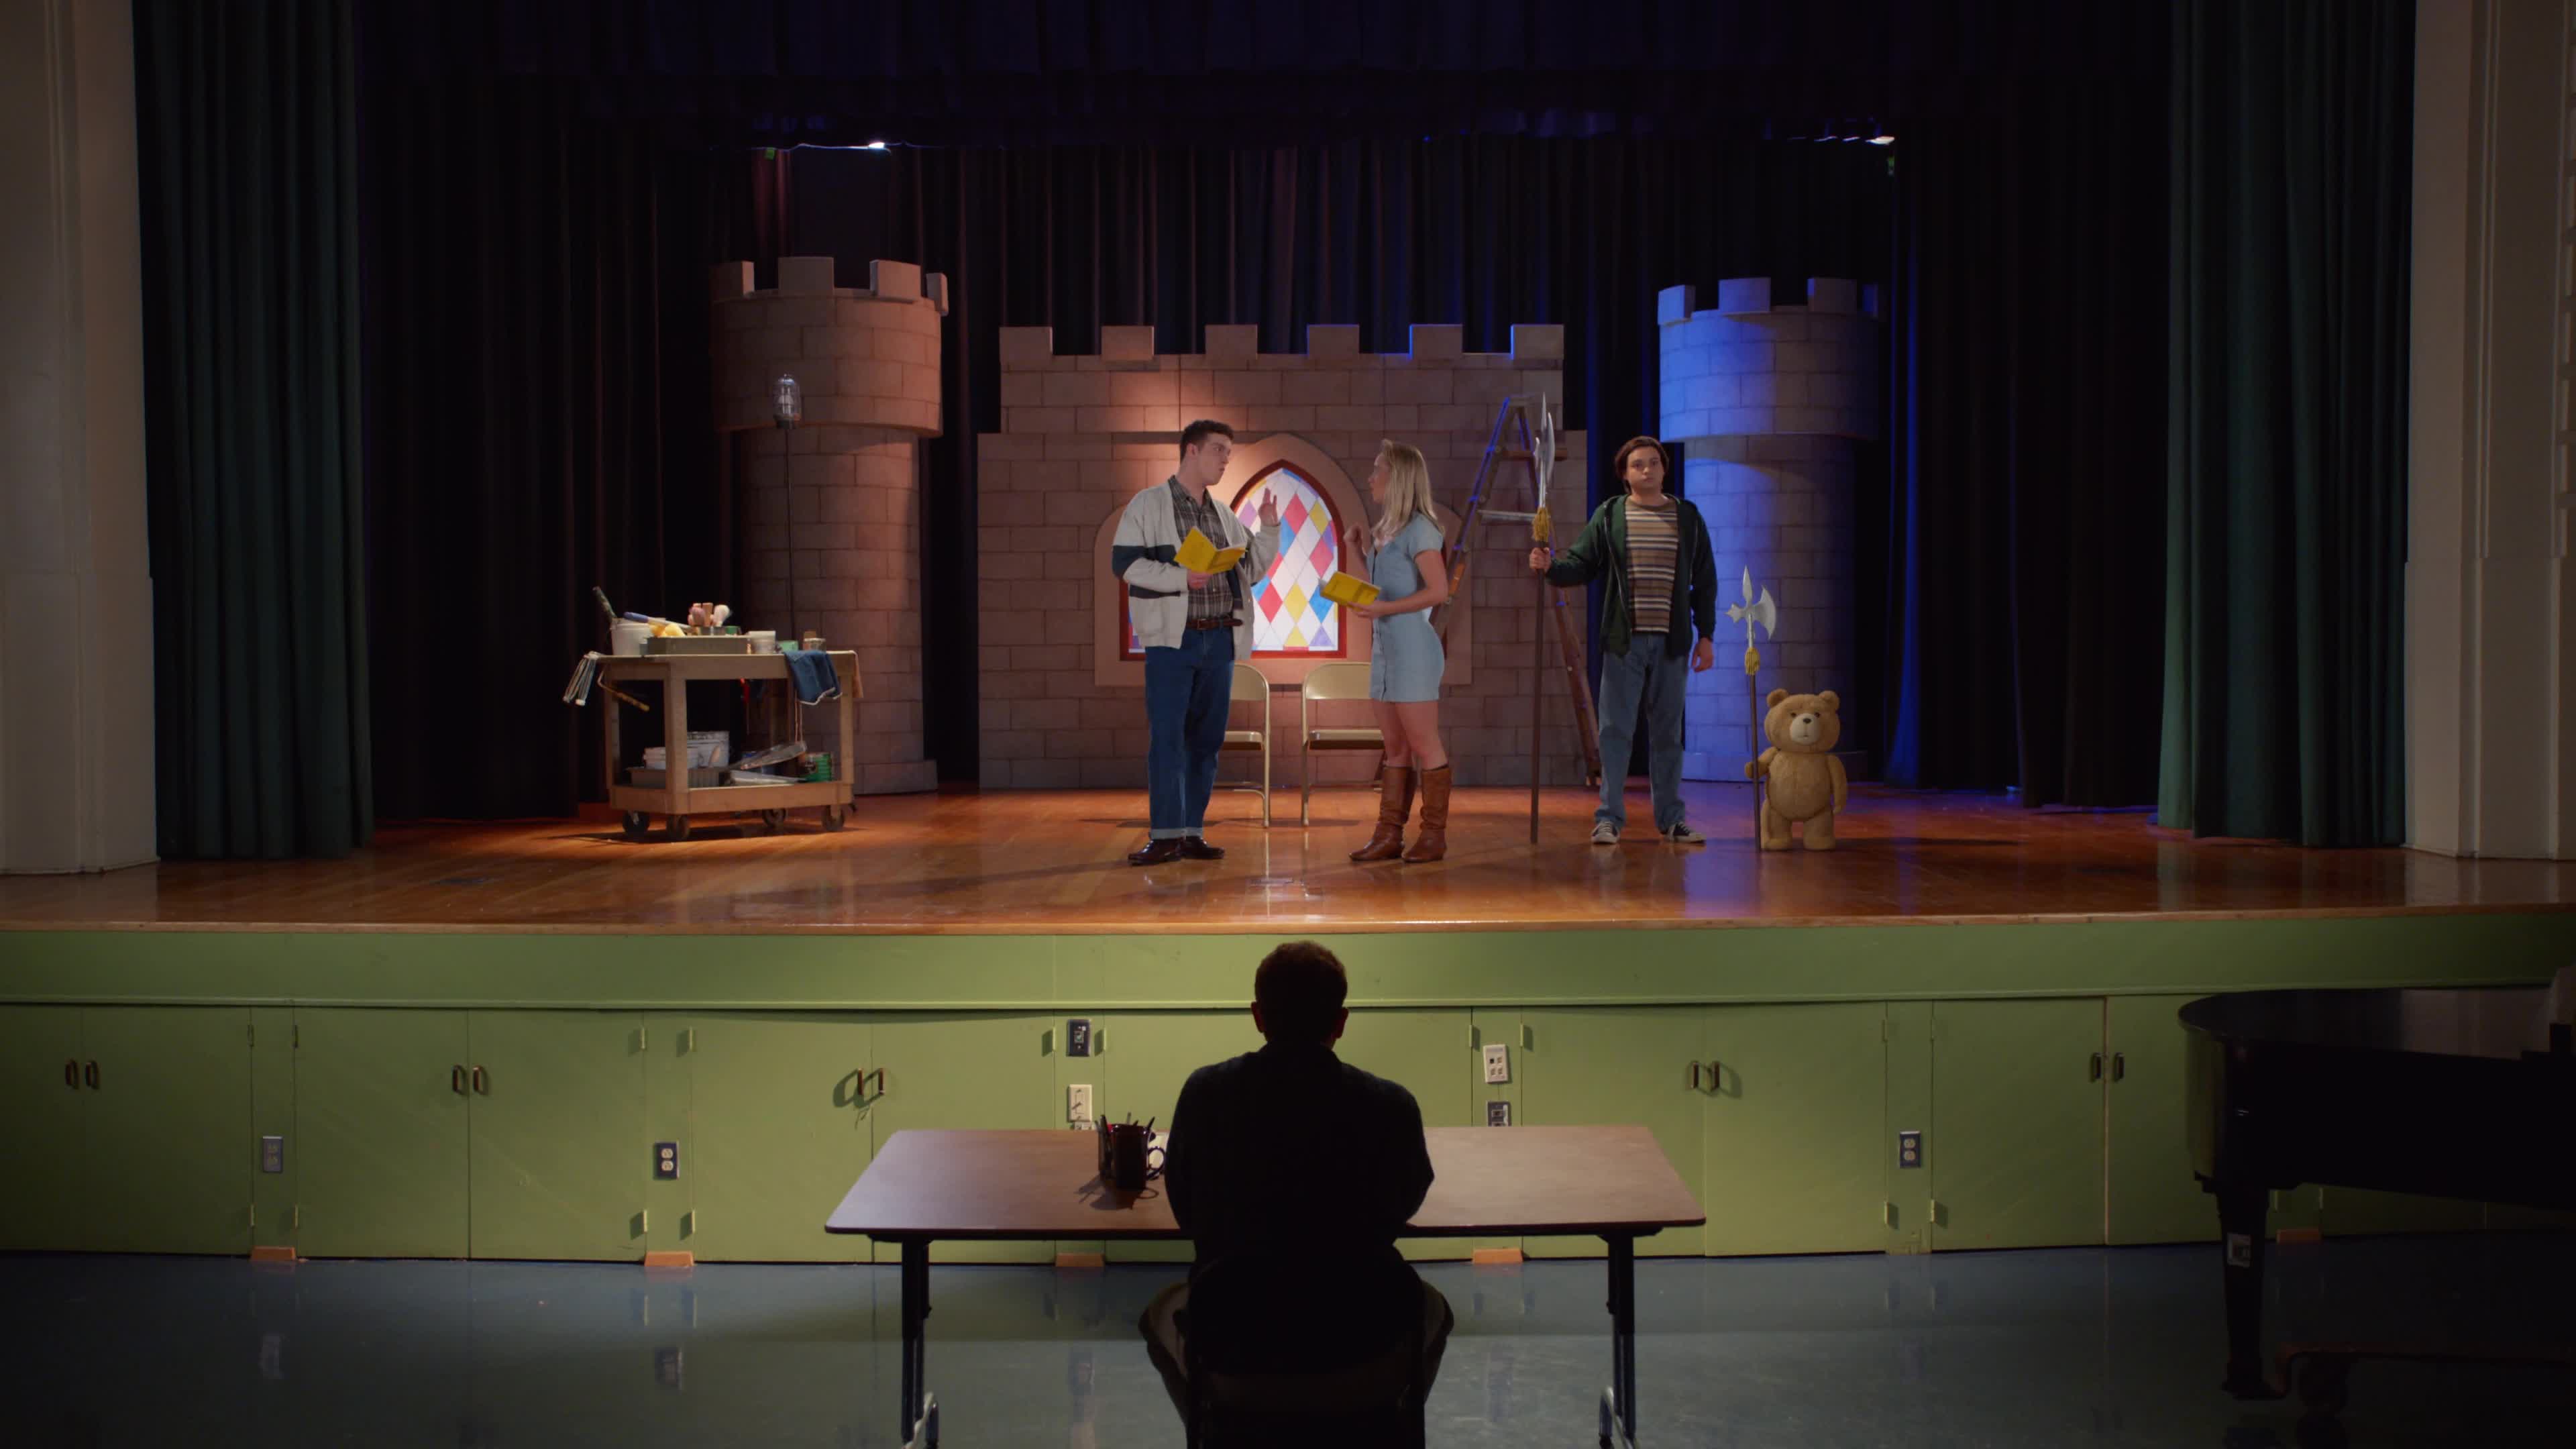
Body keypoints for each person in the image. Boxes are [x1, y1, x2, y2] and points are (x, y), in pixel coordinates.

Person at [1142, 940, 1452, 1428]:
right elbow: (1404, 1202)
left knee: (1159, 1313)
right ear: (1341, 1022)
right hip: (1364, 1341)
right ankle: (1382, 1424)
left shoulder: (1205, 1094)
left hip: (1235, 1343)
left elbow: (1188, 1210)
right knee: (1432, 1309)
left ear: (1258, 1016)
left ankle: (1220, 1429)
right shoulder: (1392, 1105)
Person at [1528, 435, 1718, 845]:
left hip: (1671, 642)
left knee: (1668, 734)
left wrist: (1706, 635)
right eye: (1638, 465)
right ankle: (1609, 818)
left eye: (1654, 463)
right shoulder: (1611, 514)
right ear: (1625, 474)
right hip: (1624, 641)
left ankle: (1672, 820)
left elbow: (1705, 581)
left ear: (1664, 469)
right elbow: (1581, 563)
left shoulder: (1687, 516)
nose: (1647, 470)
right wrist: (1551, 567)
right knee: (1615, 731)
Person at [1112, 420, 1280, 866]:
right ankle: (1165, 835)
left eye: (1228, 452)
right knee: (1168, 738)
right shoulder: (1148, 504)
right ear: (1191, 450)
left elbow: (1251, 570)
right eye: (1219, 450)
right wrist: (1180, 577)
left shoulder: (1223, 514)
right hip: (1173, 641)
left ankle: (1191, 832)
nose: (1226, 459)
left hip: (1219, 639)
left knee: (1206, 740)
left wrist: (1268, 530)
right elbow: (1125, 565)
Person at [1340, 440, 1453, 863]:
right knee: (1394, 747)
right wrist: (1355, 551)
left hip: (1414, 652)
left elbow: (1438, 591)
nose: (1370, 478)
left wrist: (1384, 610)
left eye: (1378, 471)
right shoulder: (1385, 532)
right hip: (1386, 652)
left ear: (1398, 479)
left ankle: (1434, 836)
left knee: (1424, 743)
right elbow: (1379, 590)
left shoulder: (1421, 529)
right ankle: (1388, 835)